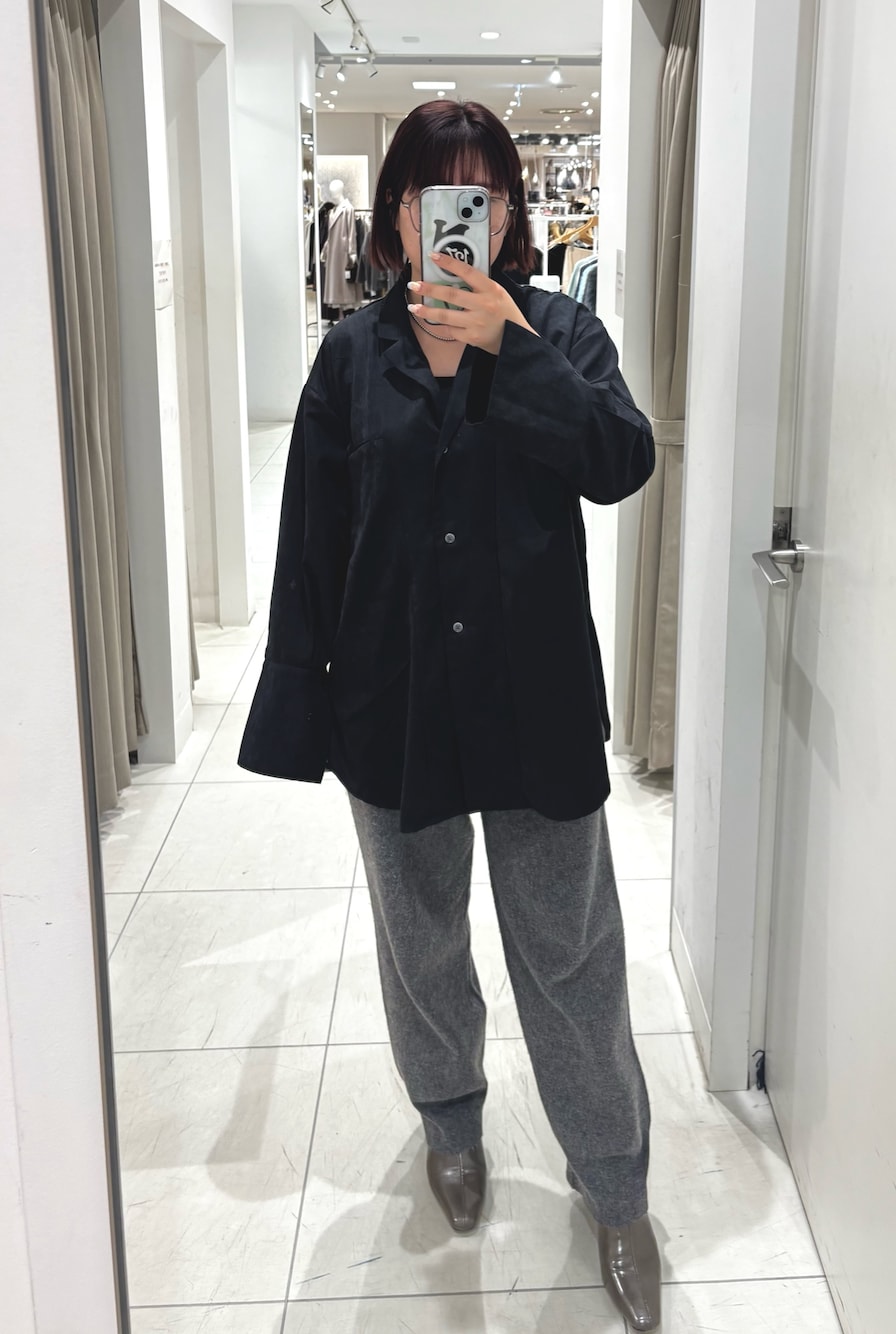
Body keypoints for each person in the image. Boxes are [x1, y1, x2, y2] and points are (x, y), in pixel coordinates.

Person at [238, 99, 660, 1332]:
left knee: (569, 953)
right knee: (420, 942)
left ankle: (615, 1188)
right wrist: (301, 705)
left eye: (481, 193)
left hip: (535, 697)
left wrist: (511, 349)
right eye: (434, 195)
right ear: (396, 216)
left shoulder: (561, 330)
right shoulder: (349, 358)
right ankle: (451, 1126)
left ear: (510, 213)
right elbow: (311, 539)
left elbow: (621, 460)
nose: (457, 216)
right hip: (395, 697)